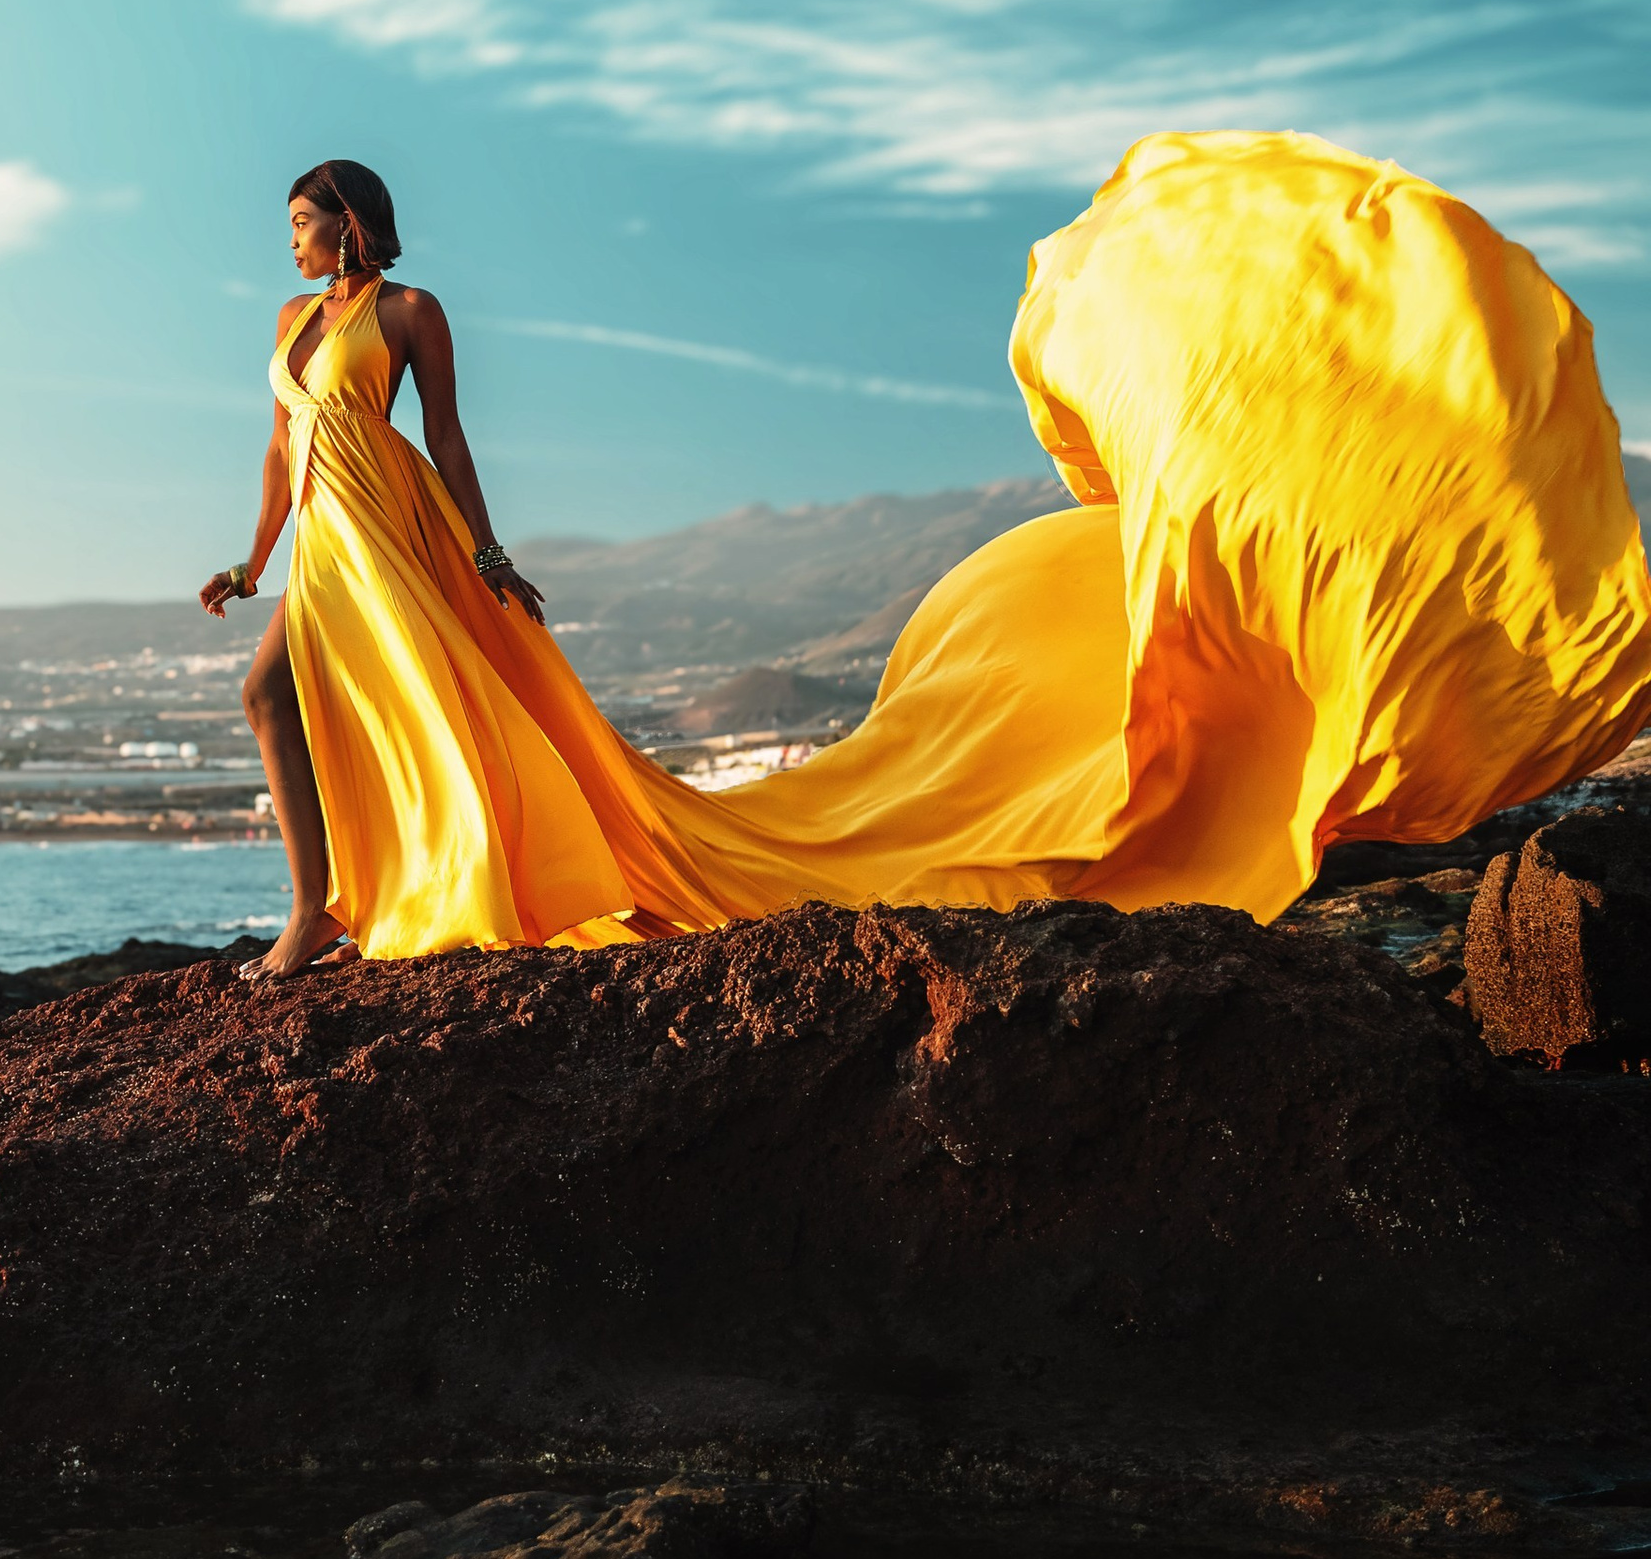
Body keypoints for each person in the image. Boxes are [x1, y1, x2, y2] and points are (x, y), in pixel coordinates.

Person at [201, 134, 1651, 978]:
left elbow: (449, 444)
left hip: (399, 534)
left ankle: (331, 912)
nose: (294, 242)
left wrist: (493, 547)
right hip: (326, 537)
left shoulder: (409, 316)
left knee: (409, 707)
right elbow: (280, 454)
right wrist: (250, 560)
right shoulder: (285, 334)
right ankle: (326, 905)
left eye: (307, 220)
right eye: (289, 228)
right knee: (277, 694)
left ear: (356, 223)